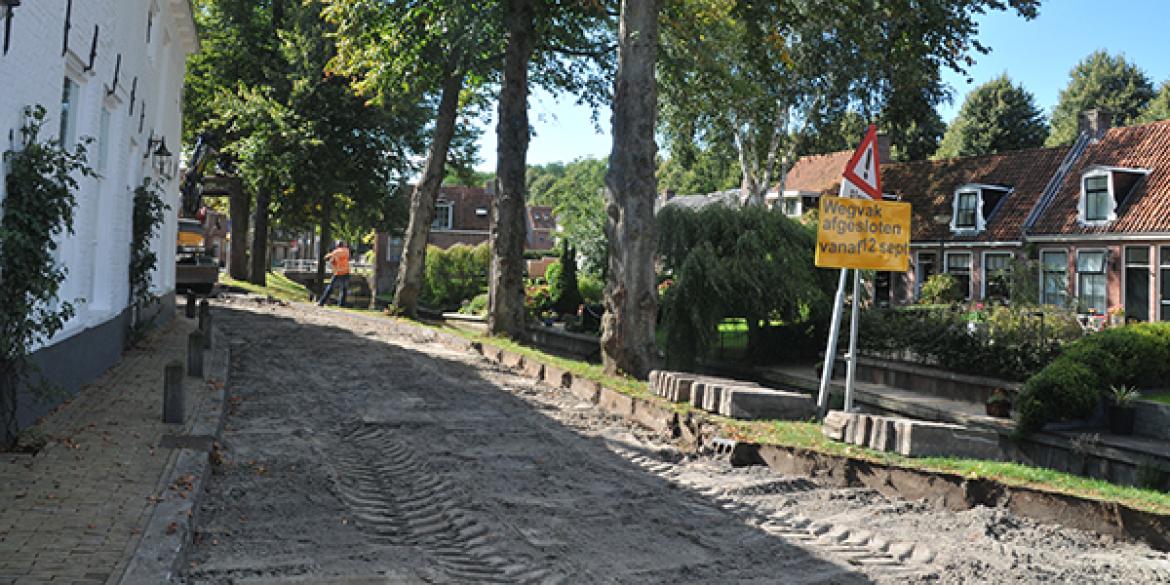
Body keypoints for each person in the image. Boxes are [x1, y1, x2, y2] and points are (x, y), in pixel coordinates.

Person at [318, 240, 351, 307]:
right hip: (346, 271)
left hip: (338, 272)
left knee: (330, 288)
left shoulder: (335, 252)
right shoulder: (347, 251)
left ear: (337, 245)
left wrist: (330, 257)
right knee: (344, 289)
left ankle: (321, 302)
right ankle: (341, 304)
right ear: (343, 245)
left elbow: (329, 259)